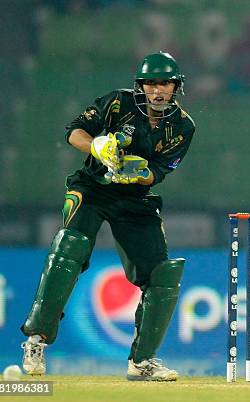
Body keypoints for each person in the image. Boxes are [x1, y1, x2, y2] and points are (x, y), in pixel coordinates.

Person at [20, 51, 196, 381]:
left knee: (161, 274)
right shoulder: (117, 103)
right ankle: (35, 342)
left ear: (176, 87)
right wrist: (98, 146)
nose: (158, 91)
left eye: (166, 84)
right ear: (141, 86)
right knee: (68, 251)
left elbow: (159, 171)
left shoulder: (183, 127)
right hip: (94, 187)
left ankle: (142, 362)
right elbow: (74, 131)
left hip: (135, 199)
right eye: (151, 83)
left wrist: (140, 173)